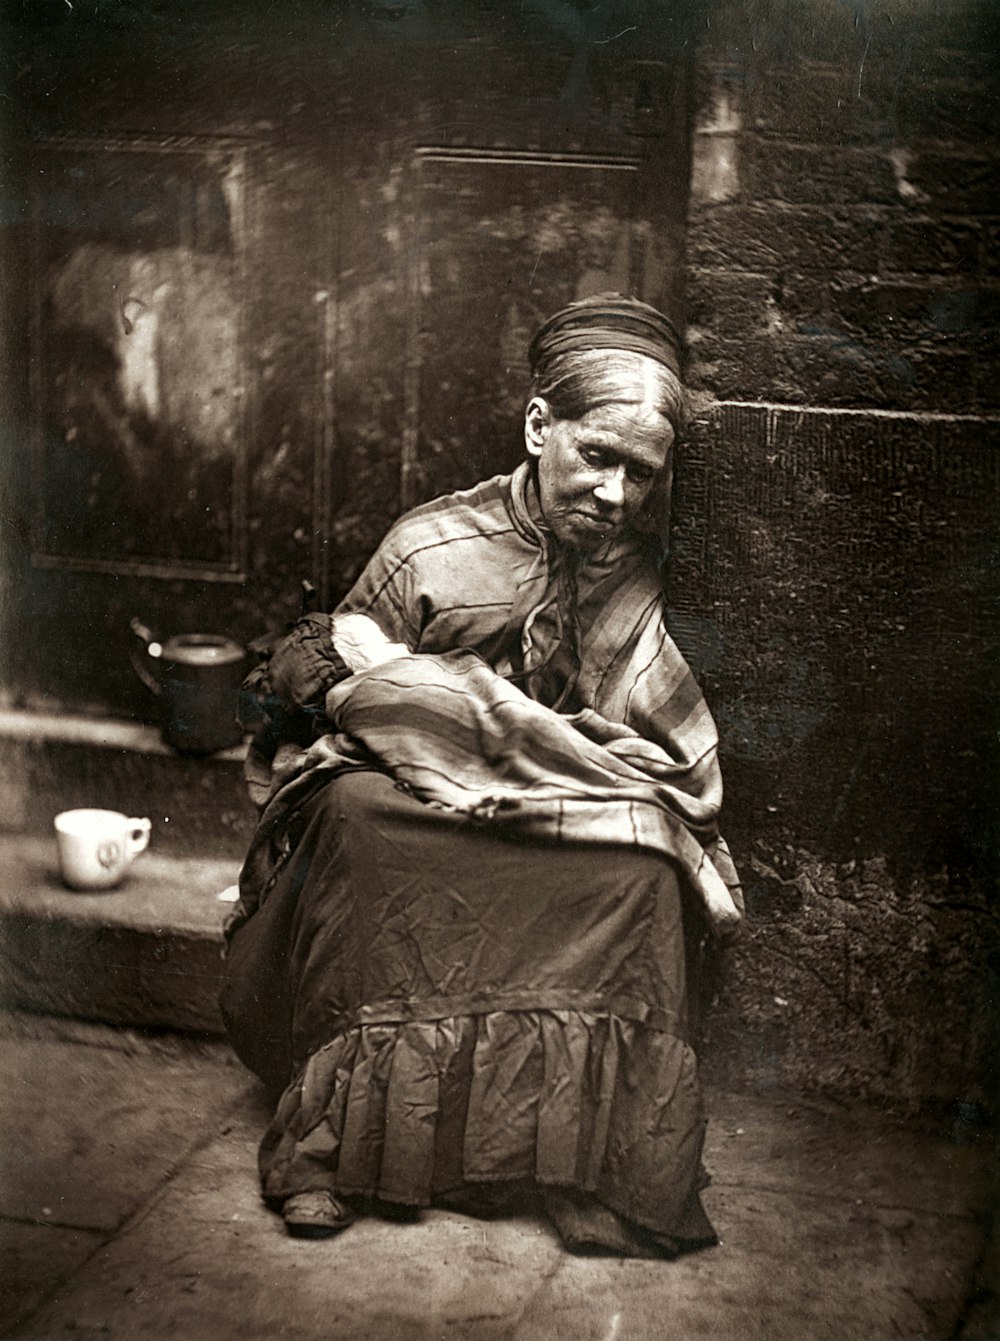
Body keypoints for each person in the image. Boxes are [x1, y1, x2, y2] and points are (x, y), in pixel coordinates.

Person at [221, 293, 742, 1257]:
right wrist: (432, 712)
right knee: (358, 819)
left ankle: (592, 1162)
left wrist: (539, 751)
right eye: (598, 457)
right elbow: (324, 698)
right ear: (542, 426)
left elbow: (663, 758)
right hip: (416, 815)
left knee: (644, 868)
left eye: (642, 474)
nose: (617, 496)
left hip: (546, 816)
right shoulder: (430, 547)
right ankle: (334, 1147)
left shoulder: (634, 575)